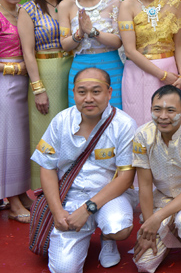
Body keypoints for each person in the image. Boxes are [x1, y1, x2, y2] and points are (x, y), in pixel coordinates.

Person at [30, 67, 137, 273]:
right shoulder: (61, 120)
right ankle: (81, 237)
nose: (89, 98)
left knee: (119, 227)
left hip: (110, 196)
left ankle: (107, 238)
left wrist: (86, 210)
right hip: (69, 198)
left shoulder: (124, 124)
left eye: (96, 91)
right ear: (74, 94)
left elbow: (125, 178)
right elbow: (47, 166)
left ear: (109, 93)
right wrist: (57, 210)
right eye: (82, 92)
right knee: (64, 270)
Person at [132, 85, 181, 272]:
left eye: (170, 110)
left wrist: (157, 218)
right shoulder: (142, 135)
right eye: (157, 109)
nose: (162, 116)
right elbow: (144, 184)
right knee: (143, 264)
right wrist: (148, 223)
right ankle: (171, 233)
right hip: (163, 196)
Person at [19, 0, 72, 191]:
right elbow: (28, 53)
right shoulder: (28, 10)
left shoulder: (71, 4)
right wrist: (38, 89)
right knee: (45, 131)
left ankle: (71, 184)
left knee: (71, 130)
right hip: (45, 74)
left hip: (72, 72)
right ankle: (43, 189)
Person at [119, 0, 181, 128]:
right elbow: (129, 51)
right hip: (138, 70)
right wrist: (162, 75)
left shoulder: (175, 4)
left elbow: (179, 44)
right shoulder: (126, 6)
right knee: (140, 122)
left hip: (171, 71)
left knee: (169, 122)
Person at [58, 0, 124, 108]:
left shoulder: (114, 2)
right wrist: (79, 33)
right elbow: (65, 44)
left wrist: (92, 31)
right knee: (81, 116)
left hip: (110, 66)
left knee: (113, 115)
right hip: (81, 66)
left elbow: (118, 41)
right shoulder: (66, 5)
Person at [0, 0, 31, 223]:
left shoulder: (23, 11)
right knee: (8, 141)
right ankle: (11, 201)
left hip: (25, 85)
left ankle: (21, 191)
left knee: (22, 140)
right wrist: (13, 67)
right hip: (5, 85)